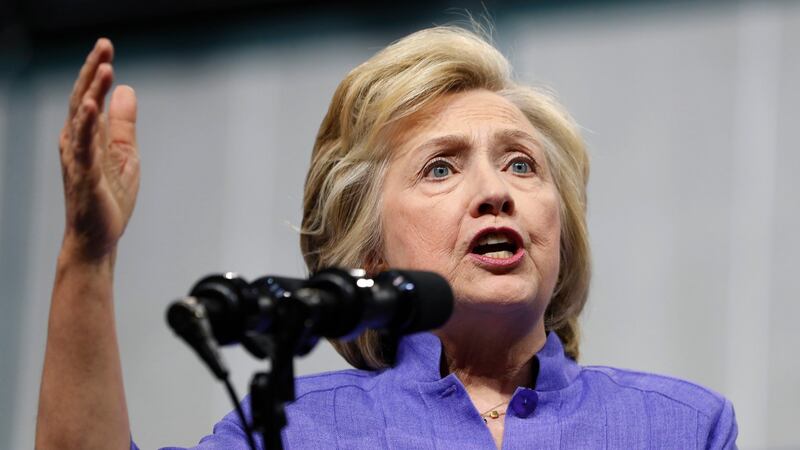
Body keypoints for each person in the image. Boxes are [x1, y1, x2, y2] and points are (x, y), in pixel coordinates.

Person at [36, 26, 738, 449]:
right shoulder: (296, 431)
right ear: (370, 253)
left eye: (521, 163)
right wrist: (88, 256)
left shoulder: (680, 426)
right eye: (441, 167)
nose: (496, 190)